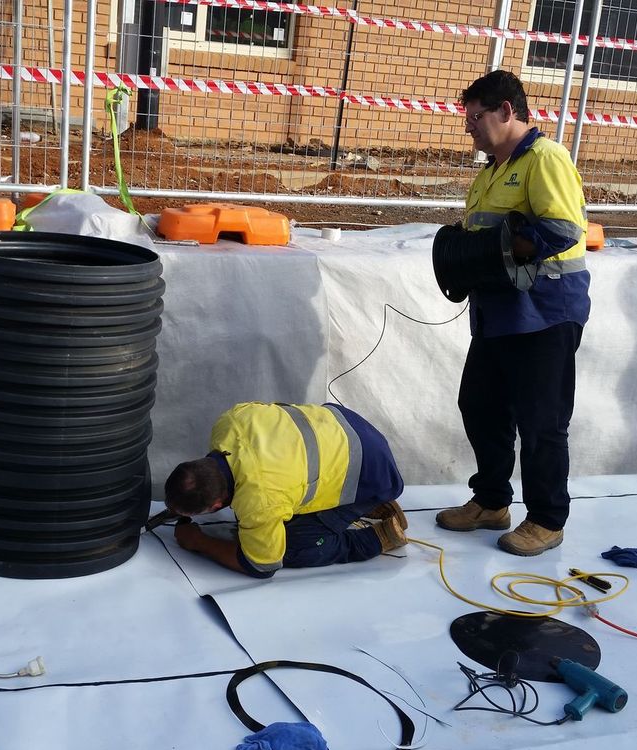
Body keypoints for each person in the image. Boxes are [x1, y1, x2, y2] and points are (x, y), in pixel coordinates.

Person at [431, 70, 591, 557]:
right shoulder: (490, 171)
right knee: (480, 405)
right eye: (466, 119)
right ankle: (492, 502)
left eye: (475, 117)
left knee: (541, 420)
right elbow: (483, 235)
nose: (469, 128)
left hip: (544, 310)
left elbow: (564, 228)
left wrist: (509, 245)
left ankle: (546, 519)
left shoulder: (546, 158)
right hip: (498, 311)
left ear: (506, 110)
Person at [164, 401, 407, 578]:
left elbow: (261, 566)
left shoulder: (260, 499)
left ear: (216, 506)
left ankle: (376, 534)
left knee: (291, 547)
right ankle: (365, 501)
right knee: (281, 510)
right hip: (346, 424)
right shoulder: (228, 422)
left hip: (372, 471)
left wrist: (199, 542)